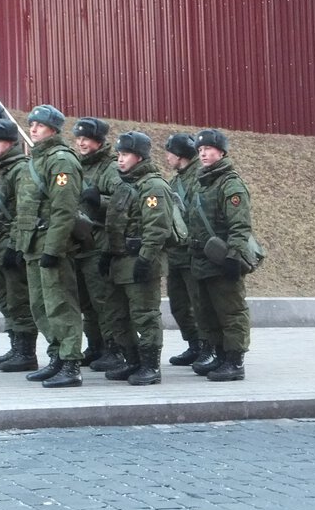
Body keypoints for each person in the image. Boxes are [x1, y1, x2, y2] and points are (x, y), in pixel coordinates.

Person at [14, 104, 84, 388]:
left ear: (53, 130)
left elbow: (64, 211)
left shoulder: (61, 160)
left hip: (51, 246)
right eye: (31, 124)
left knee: (61, 304)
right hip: (33, 245)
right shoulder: (36, 159)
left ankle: (70, 364)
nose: (33, 128)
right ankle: (56, 357)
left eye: (39, 125)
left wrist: (53, 250)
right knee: (40, 306)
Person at [100, 131, 173, 385]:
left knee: (144, 315)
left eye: (126, 155)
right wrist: (108, 254)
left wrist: (145, 259)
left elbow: (157, 228)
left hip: (140, 261)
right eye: (118, 154)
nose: (120, 160)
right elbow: (115, 223)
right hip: (120, 261)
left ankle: (151, 366)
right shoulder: (124, 185)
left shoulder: (153, 186)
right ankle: (132, 361)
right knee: (118, 315)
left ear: (139, 157)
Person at [186, 128, 254, 382]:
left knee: (231, 311)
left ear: (221, 152)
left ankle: (234, 361)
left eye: (209, 150)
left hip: (222, 259)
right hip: (202, 260)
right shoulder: (203, 181)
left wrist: (233, 257)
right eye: (200, 150)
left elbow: (240, 225)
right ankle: (218, 354)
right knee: (207, 311)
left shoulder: (230, 184)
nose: (203, 154)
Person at [71, 117, 133, 372]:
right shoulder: (77, 166)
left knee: (104, 300)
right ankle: (95, 344)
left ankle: (114, 348)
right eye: (79, 138)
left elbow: (125, 199)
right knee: (86, 301)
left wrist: (100, 201)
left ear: (98, 141)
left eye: (87, 138)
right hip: (80, 244)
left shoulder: (109, 167)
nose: (82, 143)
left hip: (99, 242)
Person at [0, 118, 39, 373]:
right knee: (3, 298)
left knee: (18, 298)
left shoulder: (19, 169)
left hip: (9, 242)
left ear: (11, 142)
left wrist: (16, 245)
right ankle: (16, 346)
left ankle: (26, 352)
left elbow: (23, 211)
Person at [163, 133, 205, 366]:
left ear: (180, 155)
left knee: (199, 304)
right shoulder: (176, 180)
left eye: (170, 152)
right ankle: (194, 344)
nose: (167, 156)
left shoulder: (198, 178)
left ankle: (208, 346)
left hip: (192, 253)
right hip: (176, 254)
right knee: (179, 305)